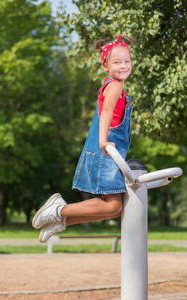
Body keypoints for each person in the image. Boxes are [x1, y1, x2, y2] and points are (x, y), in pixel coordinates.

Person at [32, 33, 134, 243]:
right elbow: (106, 112)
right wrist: (104, 141)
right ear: (106, 66)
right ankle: (59, 209)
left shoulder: (114, 86)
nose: (123, 66)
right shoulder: (115, 86)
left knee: (114, 209)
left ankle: (61, 221)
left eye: (127, 61)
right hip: (105, 153)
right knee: (114, 206)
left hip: (106, 153)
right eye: (117, 62)